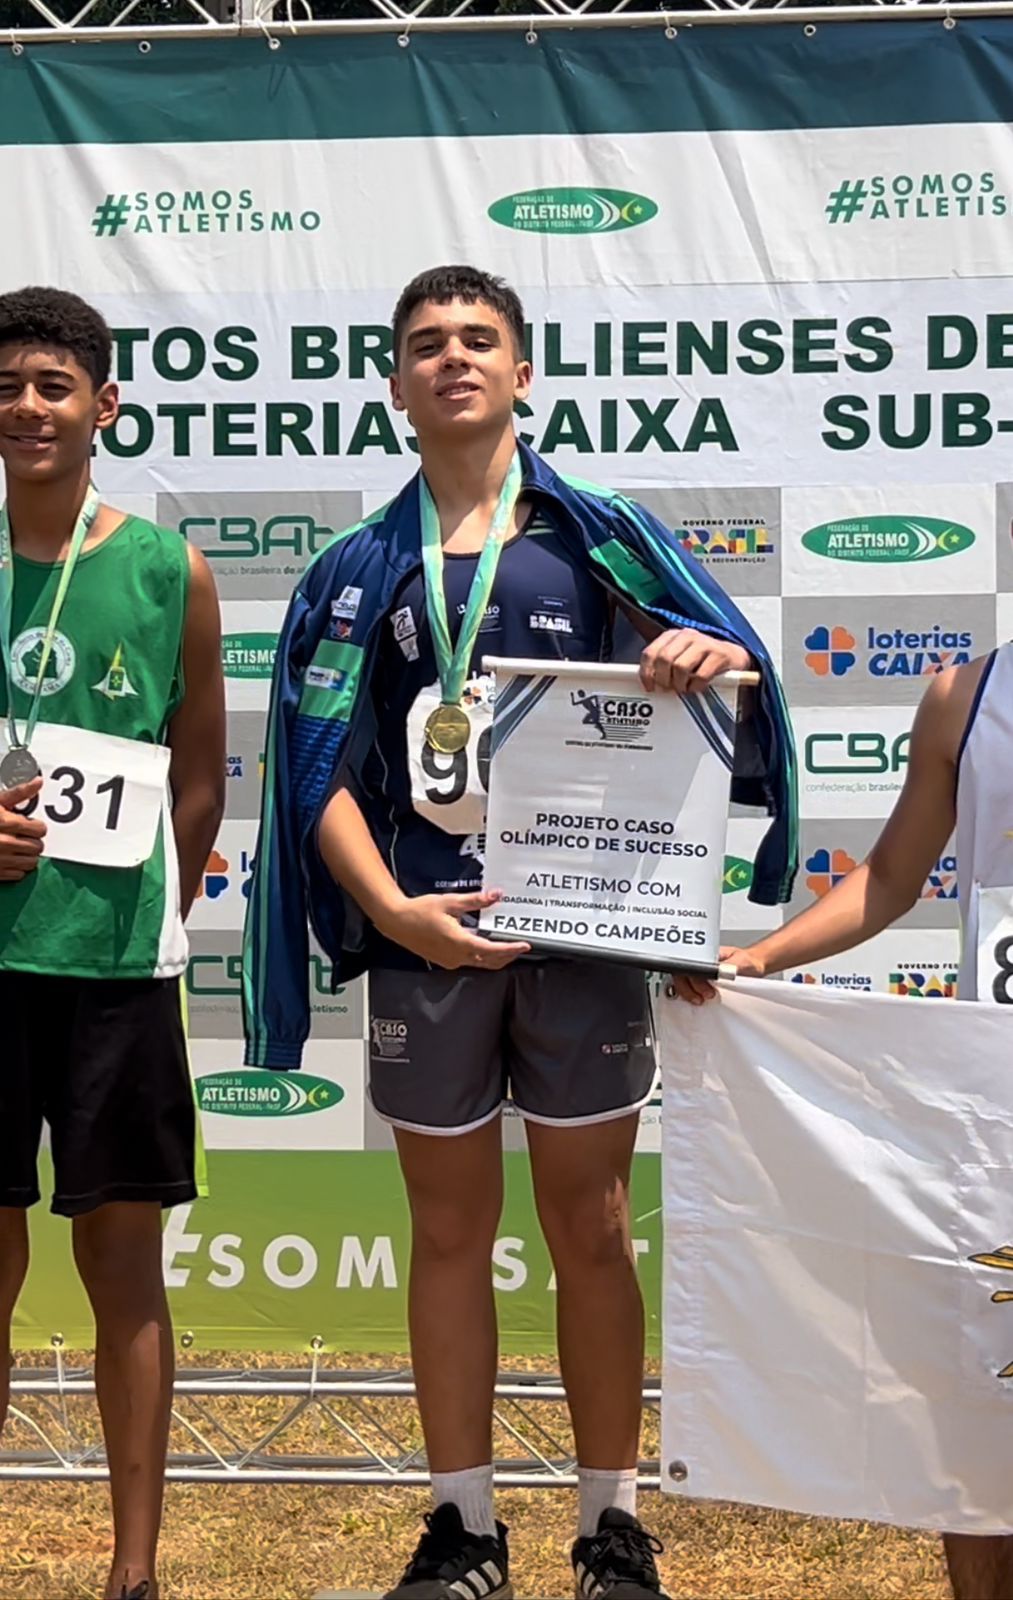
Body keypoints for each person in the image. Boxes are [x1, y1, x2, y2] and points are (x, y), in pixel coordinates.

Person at [244, 264, 796, 1599]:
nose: (451, 359)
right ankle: (462, 1529)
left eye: (476, 339)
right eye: (425, 344)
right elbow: (309, 772)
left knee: (593, 1226)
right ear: (393, 384)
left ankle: (610, 1528)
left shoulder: (600, 535)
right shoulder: (352, 571)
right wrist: (388, 913)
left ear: (523, 370)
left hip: (585, 939)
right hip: (421, 936)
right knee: (447, 1233)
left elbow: (721, 681)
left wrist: (706, 658)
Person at [671, 647, 1013, 1600]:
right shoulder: (963, 696)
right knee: (979, 1402)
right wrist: (763, 960)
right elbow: (895, 873)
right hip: (997, 1103)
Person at [0, 288, 225, 1600]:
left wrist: (146, 903)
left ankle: (134, 1571)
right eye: (9, 385)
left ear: (103, 408)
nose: (27, 405)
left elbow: (197, 779)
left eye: (51, 384)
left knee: (122, 1268)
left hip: (109, 975)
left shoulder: (166, 570)